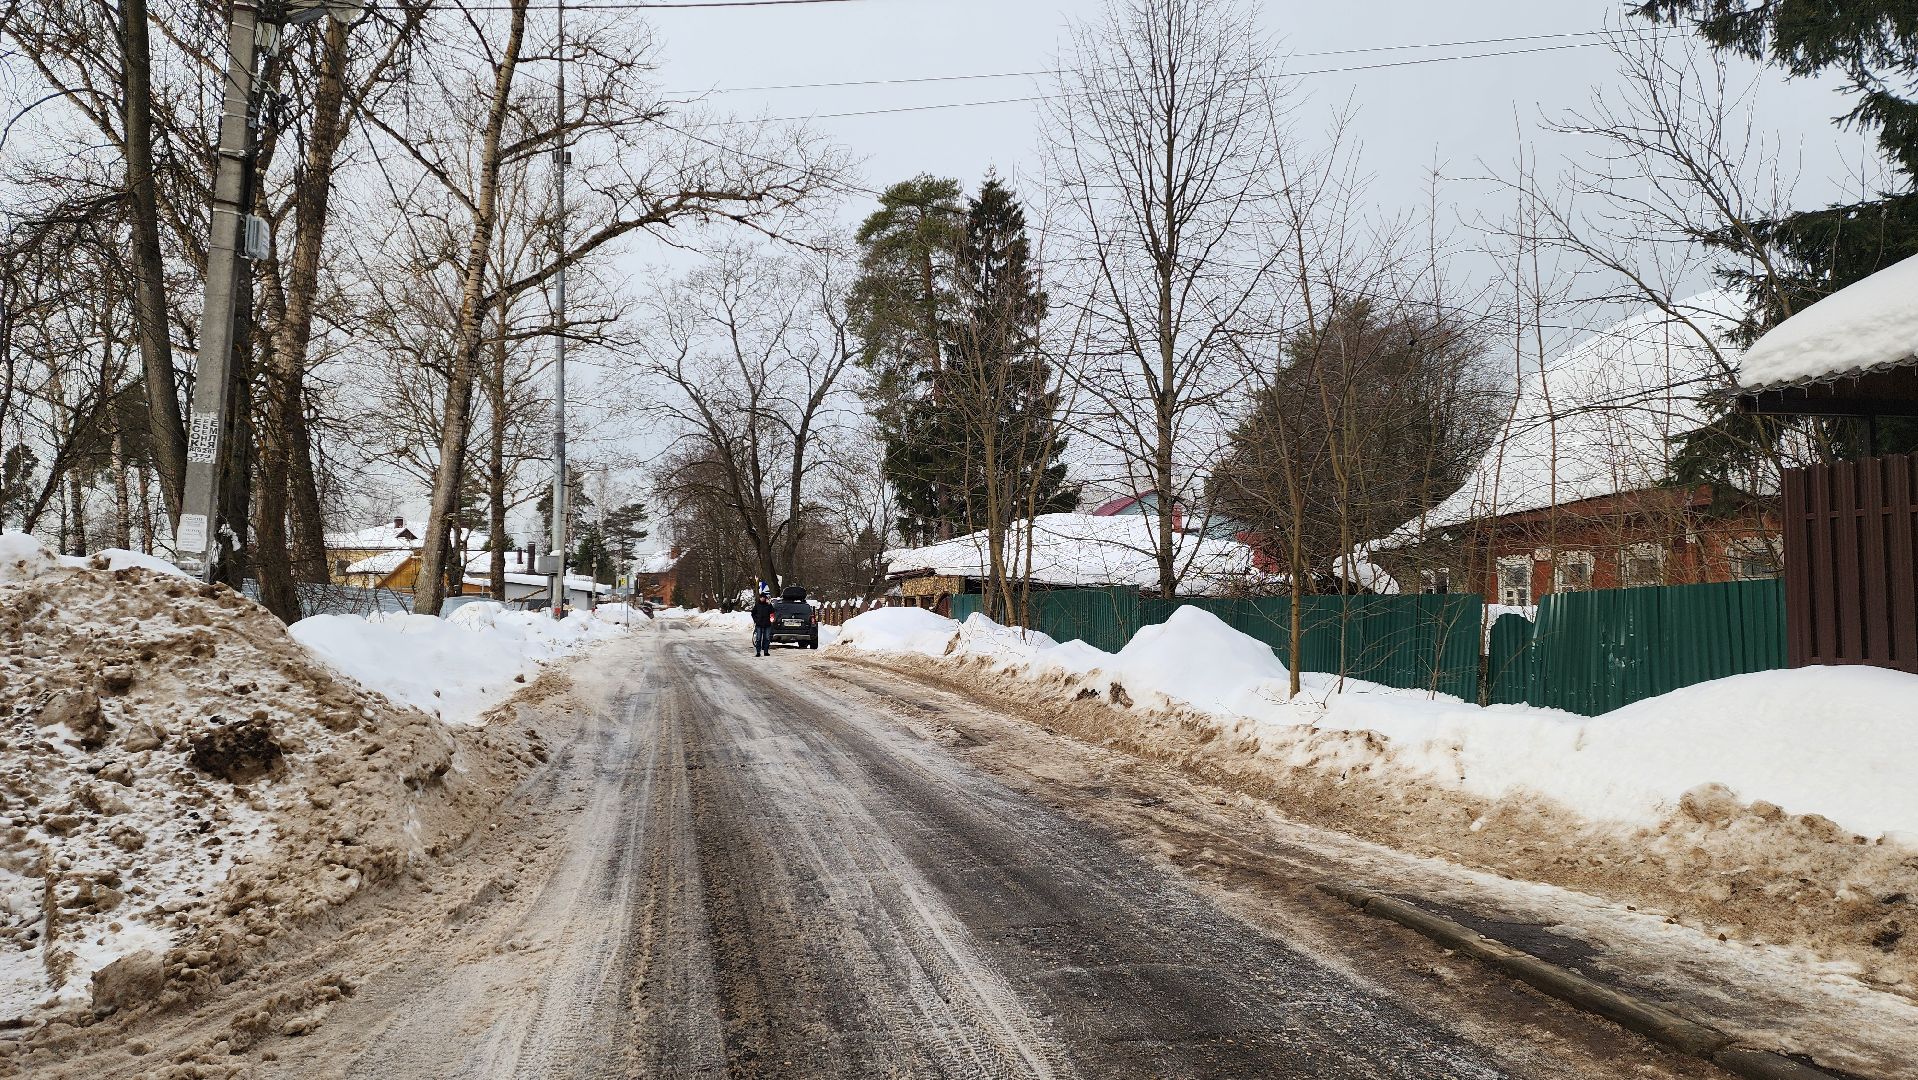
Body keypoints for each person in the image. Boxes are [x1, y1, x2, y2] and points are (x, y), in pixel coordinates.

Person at [750, 590, 776, 657]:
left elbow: (772, 612)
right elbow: (753, 613)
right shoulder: (757, 605)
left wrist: (770, 604)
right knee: (758, 639)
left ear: (765, 598)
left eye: (763, 597)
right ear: (760, 598)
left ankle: (766, 651)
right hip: (759, 624)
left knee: (767, 638)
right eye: (761, 597)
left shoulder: (768, 605)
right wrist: (756, 620)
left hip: (767, 624)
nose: (762, 599)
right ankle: (758, 652)